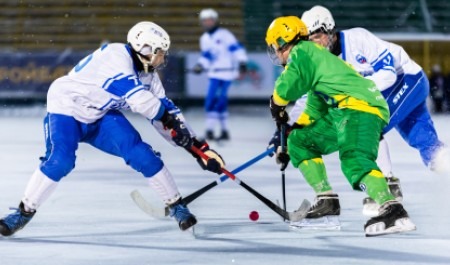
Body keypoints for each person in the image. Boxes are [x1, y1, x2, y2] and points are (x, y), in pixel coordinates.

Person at [0, 21, 225, 236]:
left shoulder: (149, 76)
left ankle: (177, 206)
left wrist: (198, 148)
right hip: (67, 108)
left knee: (143, 155)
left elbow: (168, 113)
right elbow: (142, 102)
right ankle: (23, 212)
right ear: (144, 48)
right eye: (159, 51)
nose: (162, 57)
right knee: (61, 161)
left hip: (100, 114)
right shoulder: (115, 56)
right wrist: (172, 124)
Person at [265, 16, 416, 236]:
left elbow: (287, 85)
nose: (277, 55)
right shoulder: (316, 58)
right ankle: (326, 200)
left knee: (354, 159)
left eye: (275, 48)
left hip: (358, 107)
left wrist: (276, 103)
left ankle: (392, 209)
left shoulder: (302, 53)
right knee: (300, 141)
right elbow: (315, 109)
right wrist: (290, 134)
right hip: (346, 109)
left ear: (283, 41)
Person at [296, 5, 449, 214]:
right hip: (396, 92)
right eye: (309, 40)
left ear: (330, 30)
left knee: (367, 125)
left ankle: (388, 185)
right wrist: (287, 130)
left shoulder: (357, 39)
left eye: (318, 36)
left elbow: (388, 75)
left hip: (408, 79)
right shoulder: (317, 63)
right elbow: (307, 99)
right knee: (433, 153)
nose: (315, 43)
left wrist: (352, 93)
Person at [192, 8, 248, 141]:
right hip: (214, 74)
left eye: (210, 20)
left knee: (217, 101)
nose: (208, 23)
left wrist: (242, 61)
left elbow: (236, 48)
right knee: (214, 101)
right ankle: (219, 130)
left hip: (226, 74)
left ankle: (213, 130)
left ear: (215, 21)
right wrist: (200, 65)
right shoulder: (204, 39)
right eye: (205, 21)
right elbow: (207, 56)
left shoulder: (225, 34)